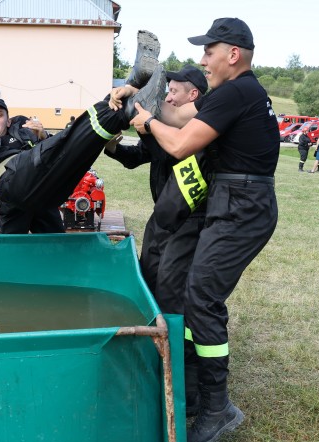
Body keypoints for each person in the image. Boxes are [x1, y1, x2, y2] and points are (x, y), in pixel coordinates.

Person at [113, 18, 279, 442]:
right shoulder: (236, 94)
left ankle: (217, 408)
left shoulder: (237, 92)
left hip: (242, 207)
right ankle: (201, 395)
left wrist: (147, 123)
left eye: (209, 50)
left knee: (201, 298)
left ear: (233, 54)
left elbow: (179, 142)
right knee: (194, 295)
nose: (203, 59)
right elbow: (176, 113)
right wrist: (136, 97)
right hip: (236, 203)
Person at [0, 63, 166, 235]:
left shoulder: (22, 130)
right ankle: (127, 102)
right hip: (13, 191)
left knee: (77, 151)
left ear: (7, 119)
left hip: (46, 193)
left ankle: (126, 98)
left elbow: (56, 150)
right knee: (12, 253)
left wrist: (43, 136)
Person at [105, 65, 208, 413]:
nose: (167, 97)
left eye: (173, 91)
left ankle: (187, 387)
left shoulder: (199, 131)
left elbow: (174, 141)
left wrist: (140, 104)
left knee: (175, 298)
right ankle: (154, 362)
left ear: (192, 95)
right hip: (160, 222)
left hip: (189, 224)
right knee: (149, 287)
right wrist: (113, 147)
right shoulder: (164, 128)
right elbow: (137, 157)